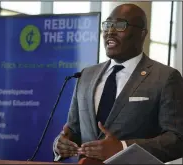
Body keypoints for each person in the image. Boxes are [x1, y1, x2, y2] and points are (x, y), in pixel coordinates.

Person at [53, 3, 183, 163]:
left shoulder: (165, 77)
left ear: (142, 33)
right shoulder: (86, 75)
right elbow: (73, 129)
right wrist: (62, 144)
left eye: (120, 25)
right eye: (107, 25)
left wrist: (122, 147)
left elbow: (177, 139)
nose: (110, 31)